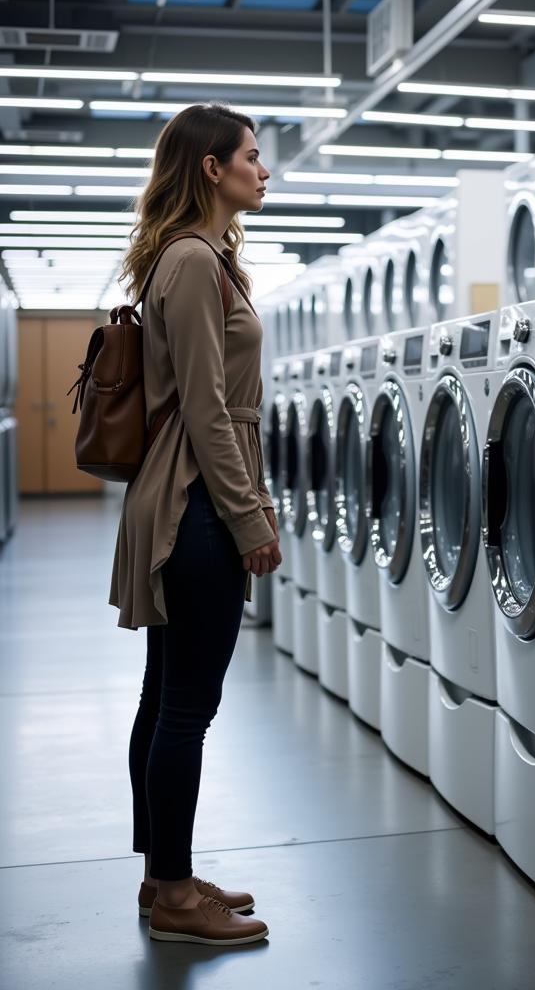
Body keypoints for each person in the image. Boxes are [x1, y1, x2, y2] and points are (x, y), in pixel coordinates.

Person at [110, 103, 282, 947]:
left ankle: (163, 876)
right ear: (211, 169)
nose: (263, 169)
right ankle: (173, 893)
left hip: (195, 491)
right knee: (186, 706)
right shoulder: (189, 260)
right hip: (195, 504)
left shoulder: (202, 258)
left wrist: (254, 497)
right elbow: (211, 413)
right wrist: (249, 516)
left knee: (166, 697)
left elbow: (218, 412)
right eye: (251, 156)